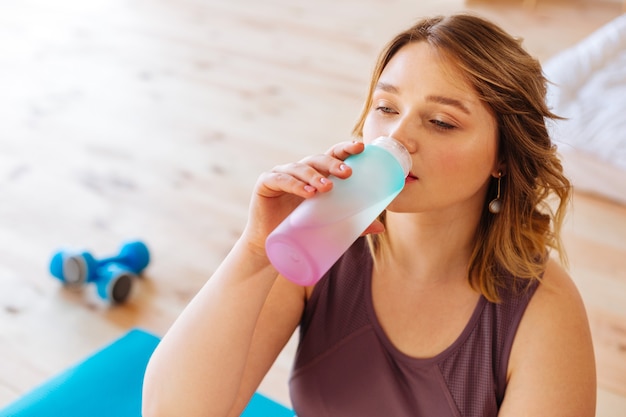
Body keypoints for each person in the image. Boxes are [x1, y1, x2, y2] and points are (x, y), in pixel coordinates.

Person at [142, 13, 596, 417]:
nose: (399, 136)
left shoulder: (545, 313)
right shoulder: (318, 242)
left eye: (441, 122)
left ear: (503, 155)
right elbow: (171, 411)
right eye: (386, 108)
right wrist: (255, 251)